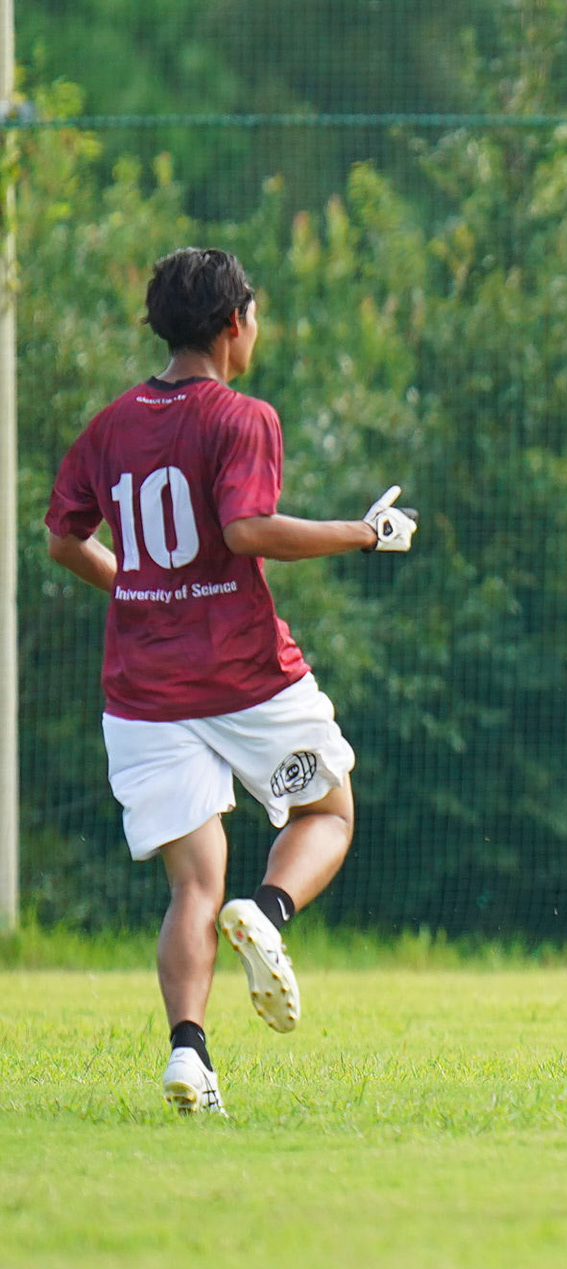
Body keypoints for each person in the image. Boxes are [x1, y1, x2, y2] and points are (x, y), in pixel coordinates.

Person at [44, 247, 419, 1116]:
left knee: (193, 883)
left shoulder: (110, 427)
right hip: (245, 675)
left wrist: (139, 587)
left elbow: (64, 538)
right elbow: (248, 529)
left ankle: (189, 1050)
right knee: (330, 811)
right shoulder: (241, 417)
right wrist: (364, 533)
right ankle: (270, 911)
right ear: (233, 322)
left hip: (143, 690)